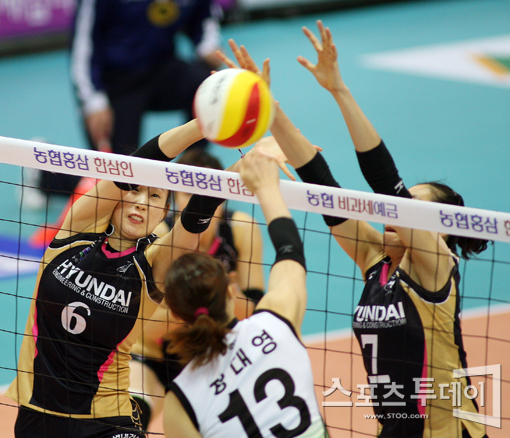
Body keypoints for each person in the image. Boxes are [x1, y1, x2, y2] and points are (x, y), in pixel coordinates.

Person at [218, 23, 489, 438]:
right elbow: (322, 185)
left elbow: (386, 184)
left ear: (439, 229)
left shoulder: (436, 266)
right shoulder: (374, 258)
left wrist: (339, 90)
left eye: (412, 206)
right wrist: (267, 108)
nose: (394, 212)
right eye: (402, 204)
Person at [5, 119, 227, 438]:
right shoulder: (76, 231)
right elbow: (140, 162)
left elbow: (193, 222)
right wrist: (202, 125)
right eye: (135, 190)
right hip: (37, 417)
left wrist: (244, 170)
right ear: (120, 192)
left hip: (107, 422)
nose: (141, 202)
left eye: (155, 197)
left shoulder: (154, 264)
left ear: (163, 212)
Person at [162, 149, 328, 438]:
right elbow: (290, 252)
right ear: (229, 289)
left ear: (176, 313)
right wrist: (267, 188)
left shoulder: (179, 402)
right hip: (159, 356)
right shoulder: (277, 325)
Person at [129, 148, 265, 431]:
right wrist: (216, 294)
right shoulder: (158, 237)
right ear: (175, 197)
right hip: (158, 355)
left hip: (218, 353)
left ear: (221, 198)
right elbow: (143, 327)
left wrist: (184, 302)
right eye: (187, 194)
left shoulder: (241, 229)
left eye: (205, 194)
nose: (196, 203)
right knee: (129, 419)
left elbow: (257, 312)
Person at [70, 0, 222, 156]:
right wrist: (93, 102)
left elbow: (203, 17)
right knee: (121, 165)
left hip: (162, 67)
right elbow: (83, 44)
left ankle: (191, 163)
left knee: (213, 89)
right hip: (117, 84)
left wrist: (207, 47)